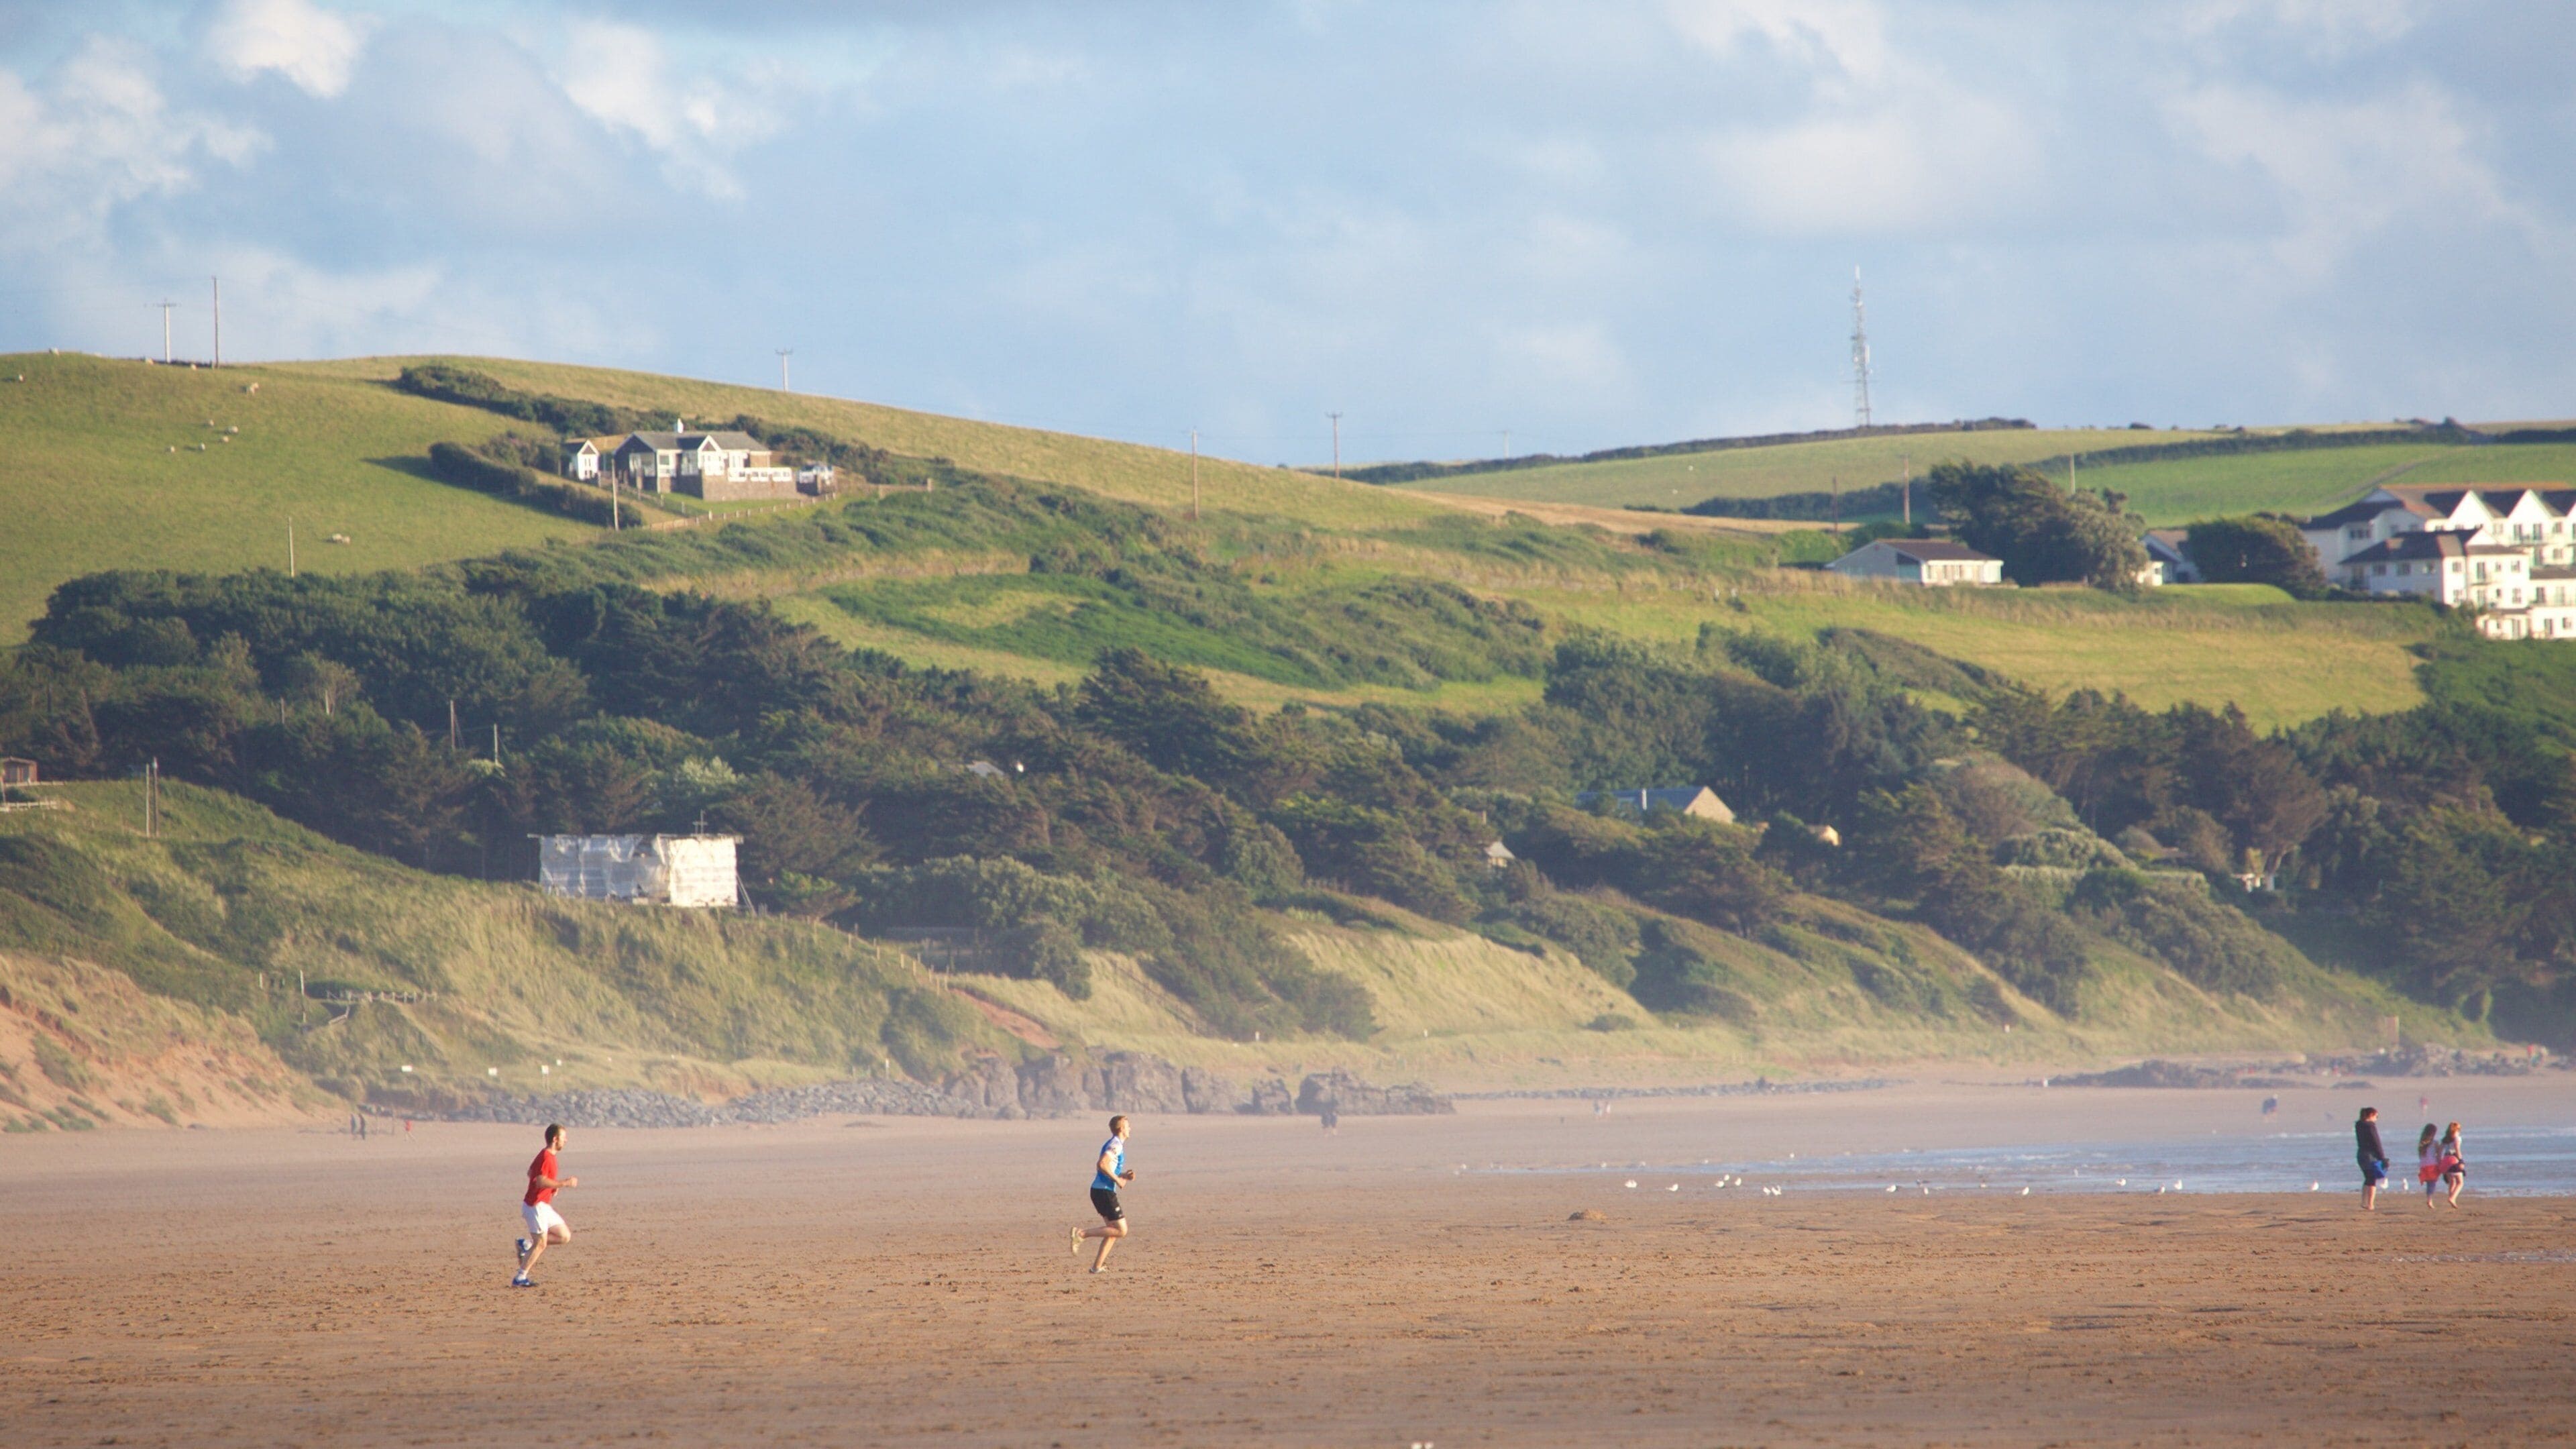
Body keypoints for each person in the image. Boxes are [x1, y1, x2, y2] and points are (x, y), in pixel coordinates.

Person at [513, 1123, 578, 1287]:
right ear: (555, 1139)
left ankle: (527, 1244)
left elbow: (531, 1173)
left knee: (564, 1236)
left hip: (543, 1205)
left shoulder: (547, 1156)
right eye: (564, 1138)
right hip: (535, 1206)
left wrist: (552, 1187)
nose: (566, 1141)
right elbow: (539, 1180)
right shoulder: (546, 1157)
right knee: (541, 1243)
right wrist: (563, 1184)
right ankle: (520, 1277)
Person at [1069, 1115, 1134, 1274]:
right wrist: (1118, 1181)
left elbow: (1109, 1167)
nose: (1130, 1128)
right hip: (1103, 1192)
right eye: (1128, 1126)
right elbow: (1102, 1164)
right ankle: (1081, 1234)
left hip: (1100, 1190)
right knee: (1121, 1230)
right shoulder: (1115, 1145)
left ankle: (1096, 1267)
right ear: (1121, 1129)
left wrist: (1123, 1175)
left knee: (1112, 1231)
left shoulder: (1115, 1144)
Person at [2355, 1107, 2387, 1210]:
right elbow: (2376, 1143)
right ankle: (2370, 1204)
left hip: (2361, 1154)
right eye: (2376, 1116)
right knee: (2372, 1179)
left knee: (2367, 1178)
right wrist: (2382, 1158)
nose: (2376, 1119)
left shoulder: (2359, 1125)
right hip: (2370, 1156)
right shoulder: (2370, 1126)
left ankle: (2364, 1202)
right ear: (2372, 1115)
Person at [2438, 1122, 2467, 1208]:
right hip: (2454, 1159)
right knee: (2460, 1182)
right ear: (2457, 1130)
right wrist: (2461, 1161)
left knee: (2452, 1182)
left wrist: (2440, 1162)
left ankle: (2451, 1199)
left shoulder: (2445, 1139)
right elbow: (2457, 1149)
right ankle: (2453, 1198)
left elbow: (2439, 1152)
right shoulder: (2457, 1138)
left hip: (2446, 1160)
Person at [2416, 1123, 2443, 1208]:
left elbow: (2420, 1155)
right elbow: (2438, 1155)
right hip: (2432, 1164)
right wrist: (2440, 1164)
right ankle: (2430, 1200)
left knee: (2429, 1183)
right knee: (2432, 1183)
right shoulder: (2435, 1143)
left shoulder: (2422, 1143)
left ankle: (2429, 1199)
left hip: (2424, 1165)